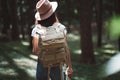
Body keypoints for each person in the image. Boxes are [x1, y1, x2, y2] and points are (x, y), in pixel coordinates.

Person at [31, 0, 73, 80]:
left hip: (42, 64)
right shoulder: (61, 28)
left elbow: (35, 51)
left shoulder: (36, 30)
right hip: (58, 64)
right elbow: (66, 49)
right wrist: (70, 67)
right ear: (53, 13)